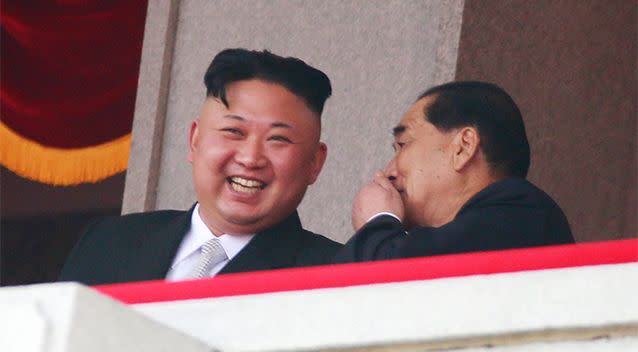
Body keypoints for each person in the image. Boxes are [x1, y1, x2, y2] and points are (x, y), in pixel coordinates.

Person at [60, 49, 341, 285]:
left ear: (315, 162)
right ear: (195, 140)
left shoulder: (335, 277)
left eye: (277, 139)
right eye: (233, 131)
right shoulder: (109, 243)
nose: (250, 158)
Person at [336, 81, 573, 262]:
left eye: (403, 145)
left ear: (463, 147)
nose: (388, 172)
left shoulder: (522, 214)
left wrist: (377, 223)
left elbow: (400, 284)